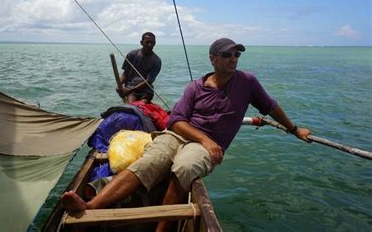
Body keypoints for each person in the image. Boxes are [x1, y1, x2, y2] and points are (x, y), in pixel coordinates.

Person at [63, 37, 311, 232]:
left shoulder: (247, 82)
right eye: (227, 54)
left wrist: (293, 129)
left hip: (204, 147)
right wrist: (203, 138)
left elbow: (270, 106)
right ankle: (90, 206)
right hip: (183, 136)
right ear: (213, 59)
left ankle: (161, 230)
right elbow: (174, 121)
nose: (233, 58)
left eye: (237, 54)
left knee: (183, 168)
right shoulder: (195, 87)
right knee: (148, 161)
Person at [117, 32, 162, 103]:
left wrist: (130, 89)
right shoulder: (132, 54)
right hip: (131, 87)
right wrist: (119, 85)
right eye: (147, 42)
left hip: (146, 90)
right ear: (142, 42)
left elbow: (148, 81)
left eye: (152, 43)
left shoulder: (157, 61)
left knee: (141, 106)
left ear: (155, 43)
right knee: (132, 105)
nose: (150, 45)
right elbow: (125, 73)